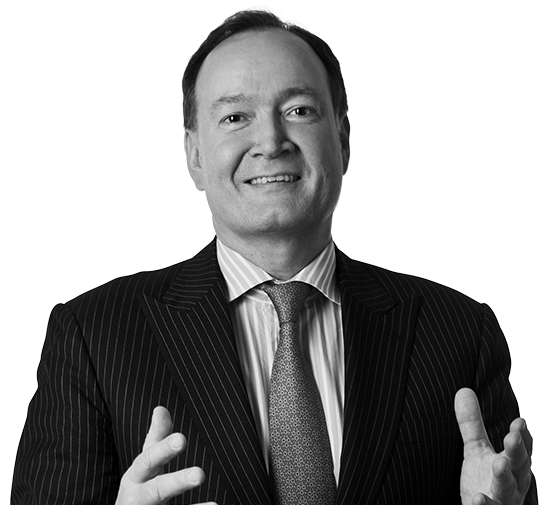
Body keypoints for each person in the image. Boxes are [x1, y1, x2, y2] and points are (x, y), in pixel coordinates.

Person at [12, 5, 537, 505]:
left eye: (299, 110)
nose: (270, 140)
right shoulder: (92, 334)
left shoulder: (459, 332)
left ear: (344, 139)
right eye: (235, 117)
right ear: (193, 155)